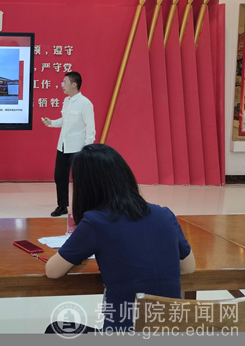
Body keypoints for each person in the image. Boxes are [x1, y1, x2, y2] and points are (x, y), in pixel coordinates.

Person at [45, 144, 195, 334]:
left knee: (55, 330)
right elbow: (188, 267)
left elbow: (53, 271)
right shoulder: (164, 214)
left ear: (85, 187)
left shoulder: (95, 222)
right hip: (171, 333)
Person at [42, 71, 95, 216]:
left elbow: (90, 128)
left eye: (64, 82)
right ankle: (62, 206)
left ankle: (83, 207)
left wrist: (87, 148)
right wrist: (52, 123)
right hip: (63, 145)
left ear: (74, 84)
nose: (62, 85)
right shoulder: (66, 101)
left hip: (78, 148)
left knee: (80, 179)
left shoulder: (85, 103)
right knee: (59, 176)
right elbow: (64, 121)